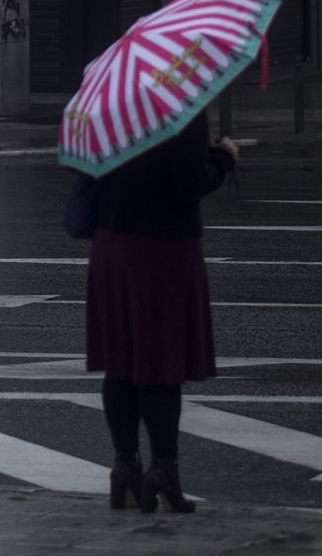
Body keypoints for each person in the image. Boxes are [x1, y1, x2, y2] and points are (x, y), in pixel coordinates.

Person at [83, 109, 237, 513]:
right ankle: (163, 471)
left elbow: (84, 169)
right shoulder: (182, 106)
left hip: (111, 244)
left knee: (122, 363)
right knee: (160, 362)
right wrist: (222, 158)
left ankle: (125, 470)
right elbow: (190, 181)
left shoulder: (107, 105)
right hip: (163, 249)